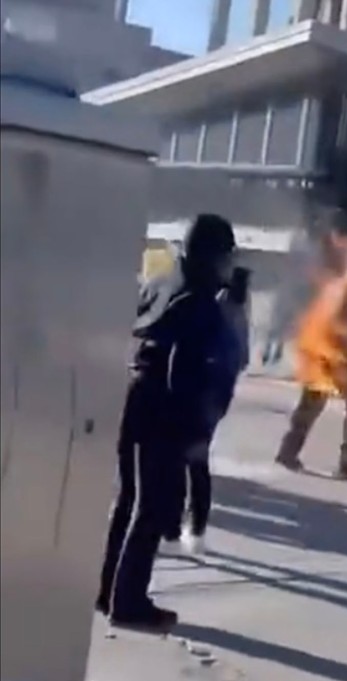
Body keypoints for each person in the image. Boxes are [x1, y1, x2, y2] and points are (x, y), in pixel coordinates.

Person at [96, 214, 237, 631]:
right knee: (153, 508)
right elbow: (187, 369)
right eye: (226, 256)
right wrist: (192, 429)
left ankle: (108, 592)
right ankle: (129, 602)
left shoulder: (163, 284)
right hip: (165, 409)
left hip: (136, 396)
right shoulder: (199, 302)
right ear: (212, 258)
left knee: (128, 503)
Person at [163, 266, 250, 556]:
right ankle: (195, 531)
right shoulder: (238, 312)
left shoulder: (216, 308)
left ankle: (173, 531)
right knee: (197, 461)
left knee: (181, 460)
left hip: (201, 394)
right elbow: (243, 359)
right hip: (217, 397)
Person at [274, 235, 347, 477]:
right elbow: (342, 321)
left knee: (316, 405)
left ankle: (290, 452)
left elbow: (343, 320)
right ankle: (344, 457)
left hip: (326, 353)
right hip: (330, 355)